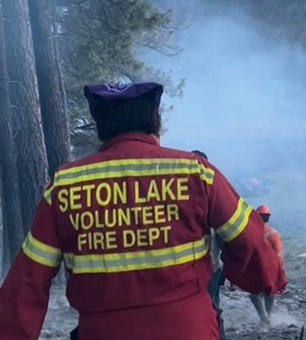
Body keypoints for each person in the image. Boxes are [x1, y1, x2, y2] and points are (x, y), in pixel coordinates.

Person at [0, 82, 286, 340]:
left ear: (101, 124)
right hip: (189, 329)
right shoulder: (196, 172)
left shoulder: (65, 185)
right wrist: (268, 280)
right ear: (155, 120)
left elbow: (28, 279)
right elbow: (250, 240)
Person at [191, 150, 227, 340]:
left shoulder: (209, 193)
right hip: (201, 267)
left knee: (211, 305)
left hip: (209, 267)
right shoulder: (210, 191)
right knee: (209, 306)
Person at [249, 204, 284, 324]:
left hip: (255, 268)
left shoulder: (249, 233)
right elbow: (278, 254)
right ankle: (266, 316)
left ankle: (264, 317)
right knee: (269, 293)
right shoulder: (274, 233)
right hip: (271, 268)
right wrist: (279, 270)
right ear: (268, 217)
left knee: (254, 294)